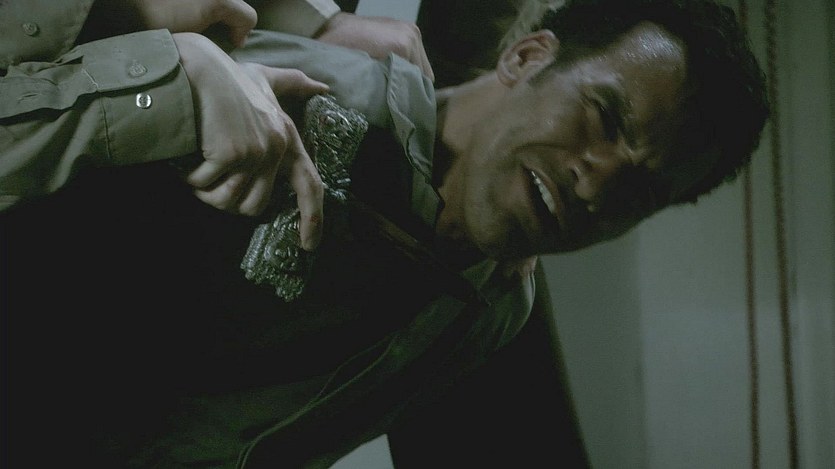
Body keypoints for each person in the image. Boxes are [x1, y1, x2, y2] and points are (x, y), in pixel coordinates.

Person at [0, 0, 768, 467]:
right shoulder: (305, 82)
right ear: (526, 55)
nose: (594, 183)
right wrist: (171, 82)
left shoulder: (493, 310)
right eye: (601, 118)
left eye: (638, 188)